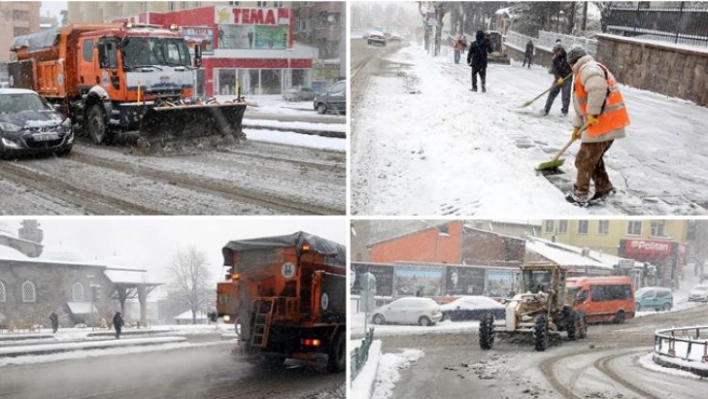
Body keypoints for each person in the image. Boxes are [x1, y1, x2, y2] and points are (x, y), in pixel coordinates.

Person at [565, 45, 630, 206]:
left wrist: (593, 113)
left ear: (572, 62)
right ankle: (604, 187)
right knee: (594, 159)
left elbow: (597, 89)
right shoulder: (584, 71)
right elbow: (582, 105)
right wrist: (576, 128)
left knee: (584, 160)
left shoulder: (588, 69)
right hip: (603, 124)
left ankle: (579, 195)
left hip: (604, 123)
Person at [543, 42, 573, 116]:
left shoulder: (569, 58)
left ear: (560, 50)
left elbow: (573, 67)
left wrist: (573, 70)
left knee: (566, 95)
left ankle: (564, 111)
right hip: (558, 78)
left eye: (557, 52)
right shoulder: (555, 59)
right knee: (552, 93)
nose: (556, 53)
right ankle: (546, 109)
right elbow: (554, 69)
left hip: (567, 78)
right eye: (555, 52)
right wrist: (558, 77)